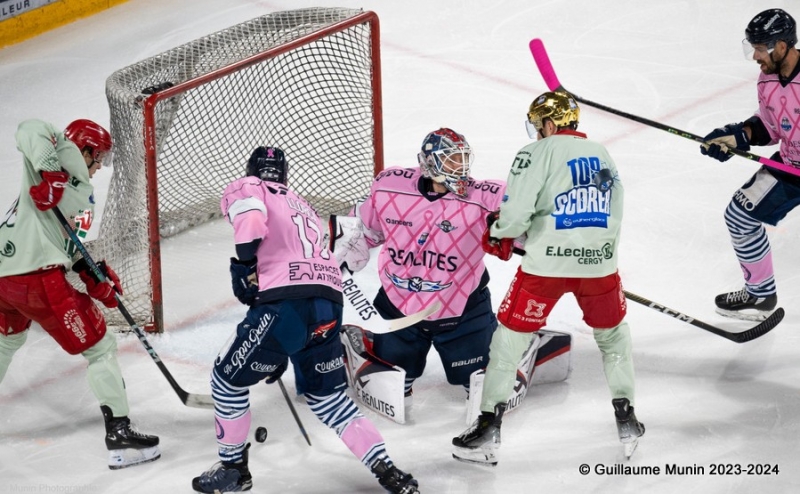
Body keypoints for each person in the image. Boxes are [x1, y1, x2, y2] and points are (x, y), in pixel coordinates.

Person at [192, 146, 419, 494]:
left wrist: (244, 265)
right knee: (330, 400)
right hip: (329, 303)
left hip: (286, 305)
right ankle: (388, 471)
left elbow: (250, 223)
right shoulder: (302, 204)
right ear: (284, 175)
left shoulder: (248, 186)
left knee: (226, 382)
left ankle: (234, 470)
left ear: (252, 170)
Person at [451, 92, 644, 466]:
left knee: (509, 341)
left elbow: (516, 213)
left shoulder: (534, 152)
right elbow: (614, 208)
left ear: (550, 124)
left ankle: (488, 425)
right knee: (613, 339)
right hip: (599, 268)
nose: (537, 132)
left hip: (545, 270)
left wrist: (500, 232)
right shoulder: (602, 153)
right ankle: (627, 417)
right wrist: (596, 252)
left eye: (538, 125)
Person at [0, 119, 160, 469]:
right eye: (98, 156)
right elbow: (29, 127)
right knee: (101, 348)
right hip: (36, 279)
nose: (100, 165)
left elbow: (74, 247)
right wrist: (50, 173)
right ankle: (119, 433)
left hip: (4, 278)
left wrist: (93, 273)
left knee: (5, 342)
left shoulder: (84, 195)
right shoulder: (57, 156)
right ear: (84, 149)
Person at [330, 128, 506, 404]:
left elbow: (524, 221)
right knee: (392, 384)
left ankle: (513, 347)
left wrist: (517, 230)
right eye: (451, 159)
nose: (460, 167)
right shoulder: (390, 187)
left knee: (482, 386)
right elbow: (363, 231)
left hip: (463, 309)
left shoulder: (486, 197)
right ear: (429, 162)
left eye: (462, 158)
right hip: (398, 306)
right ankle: (368, 346)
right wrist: (335, 261)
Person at [699, 8, 798, 321]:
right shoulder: (767, 79)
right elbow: (771, 126)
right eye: (752, 48)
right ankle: (760, 293)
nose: (755, 56)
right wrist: (739, 135)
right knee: (739, 217)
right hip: (792, 167)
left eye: (760, 48)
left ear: (781, 46)